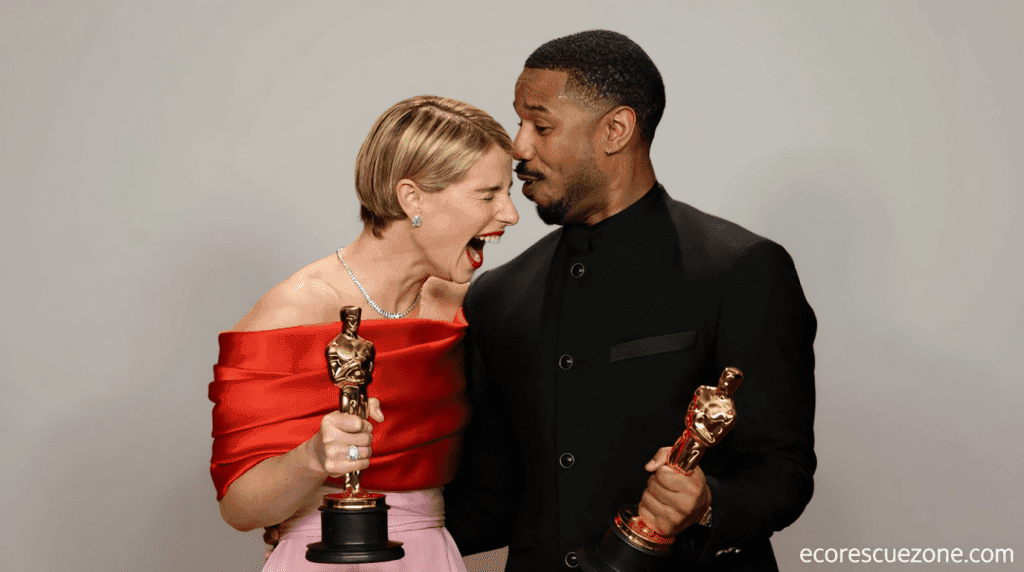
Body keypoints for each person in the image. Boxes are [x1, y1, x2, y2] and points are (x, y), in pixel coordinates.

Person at [441, 30, 817, 571]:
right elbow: (490, 500)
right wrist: (356, 526)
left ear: (615, 130)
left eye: (540, 126)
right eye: (519, 123)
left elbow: (782, 471)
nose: (517, 147)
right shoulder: (497, 296)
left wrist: (707, 504)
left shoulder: (741, 269)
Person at [209, 95, 519, 571]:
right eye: (488, 195)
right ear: (412, 198)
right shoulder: (295, 310)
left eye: (508, 192)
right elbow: (240, 507)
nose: (510, 214)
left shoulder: (469, 307)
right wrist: (313, 458)